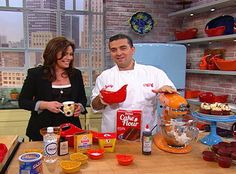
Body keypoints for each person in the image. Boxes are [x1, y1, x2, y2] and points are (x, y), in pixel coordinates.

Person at [91, 33, 177, 133]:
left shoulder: (154, 73)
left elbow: (172, 100)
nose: (118, 53)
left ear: (132, 50)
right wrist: (101, 100)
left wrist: (167, 94)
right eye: (114, 50)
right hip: (112, 138)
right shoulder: (104, 76)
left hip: (145, 137)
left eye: (123, 48)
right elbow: (94, 106)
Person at [19, 36, 87, 141]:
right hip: (42, 132)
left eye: (71, 54)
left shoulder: (76, 74)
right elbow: (23, 101)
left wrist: (79, 107)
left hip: (70, 132)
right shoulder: (36, 74)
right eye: (65, 54)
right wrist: (45, 105)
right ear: (53, 54)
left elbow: (82, 99)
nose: (69, 58)